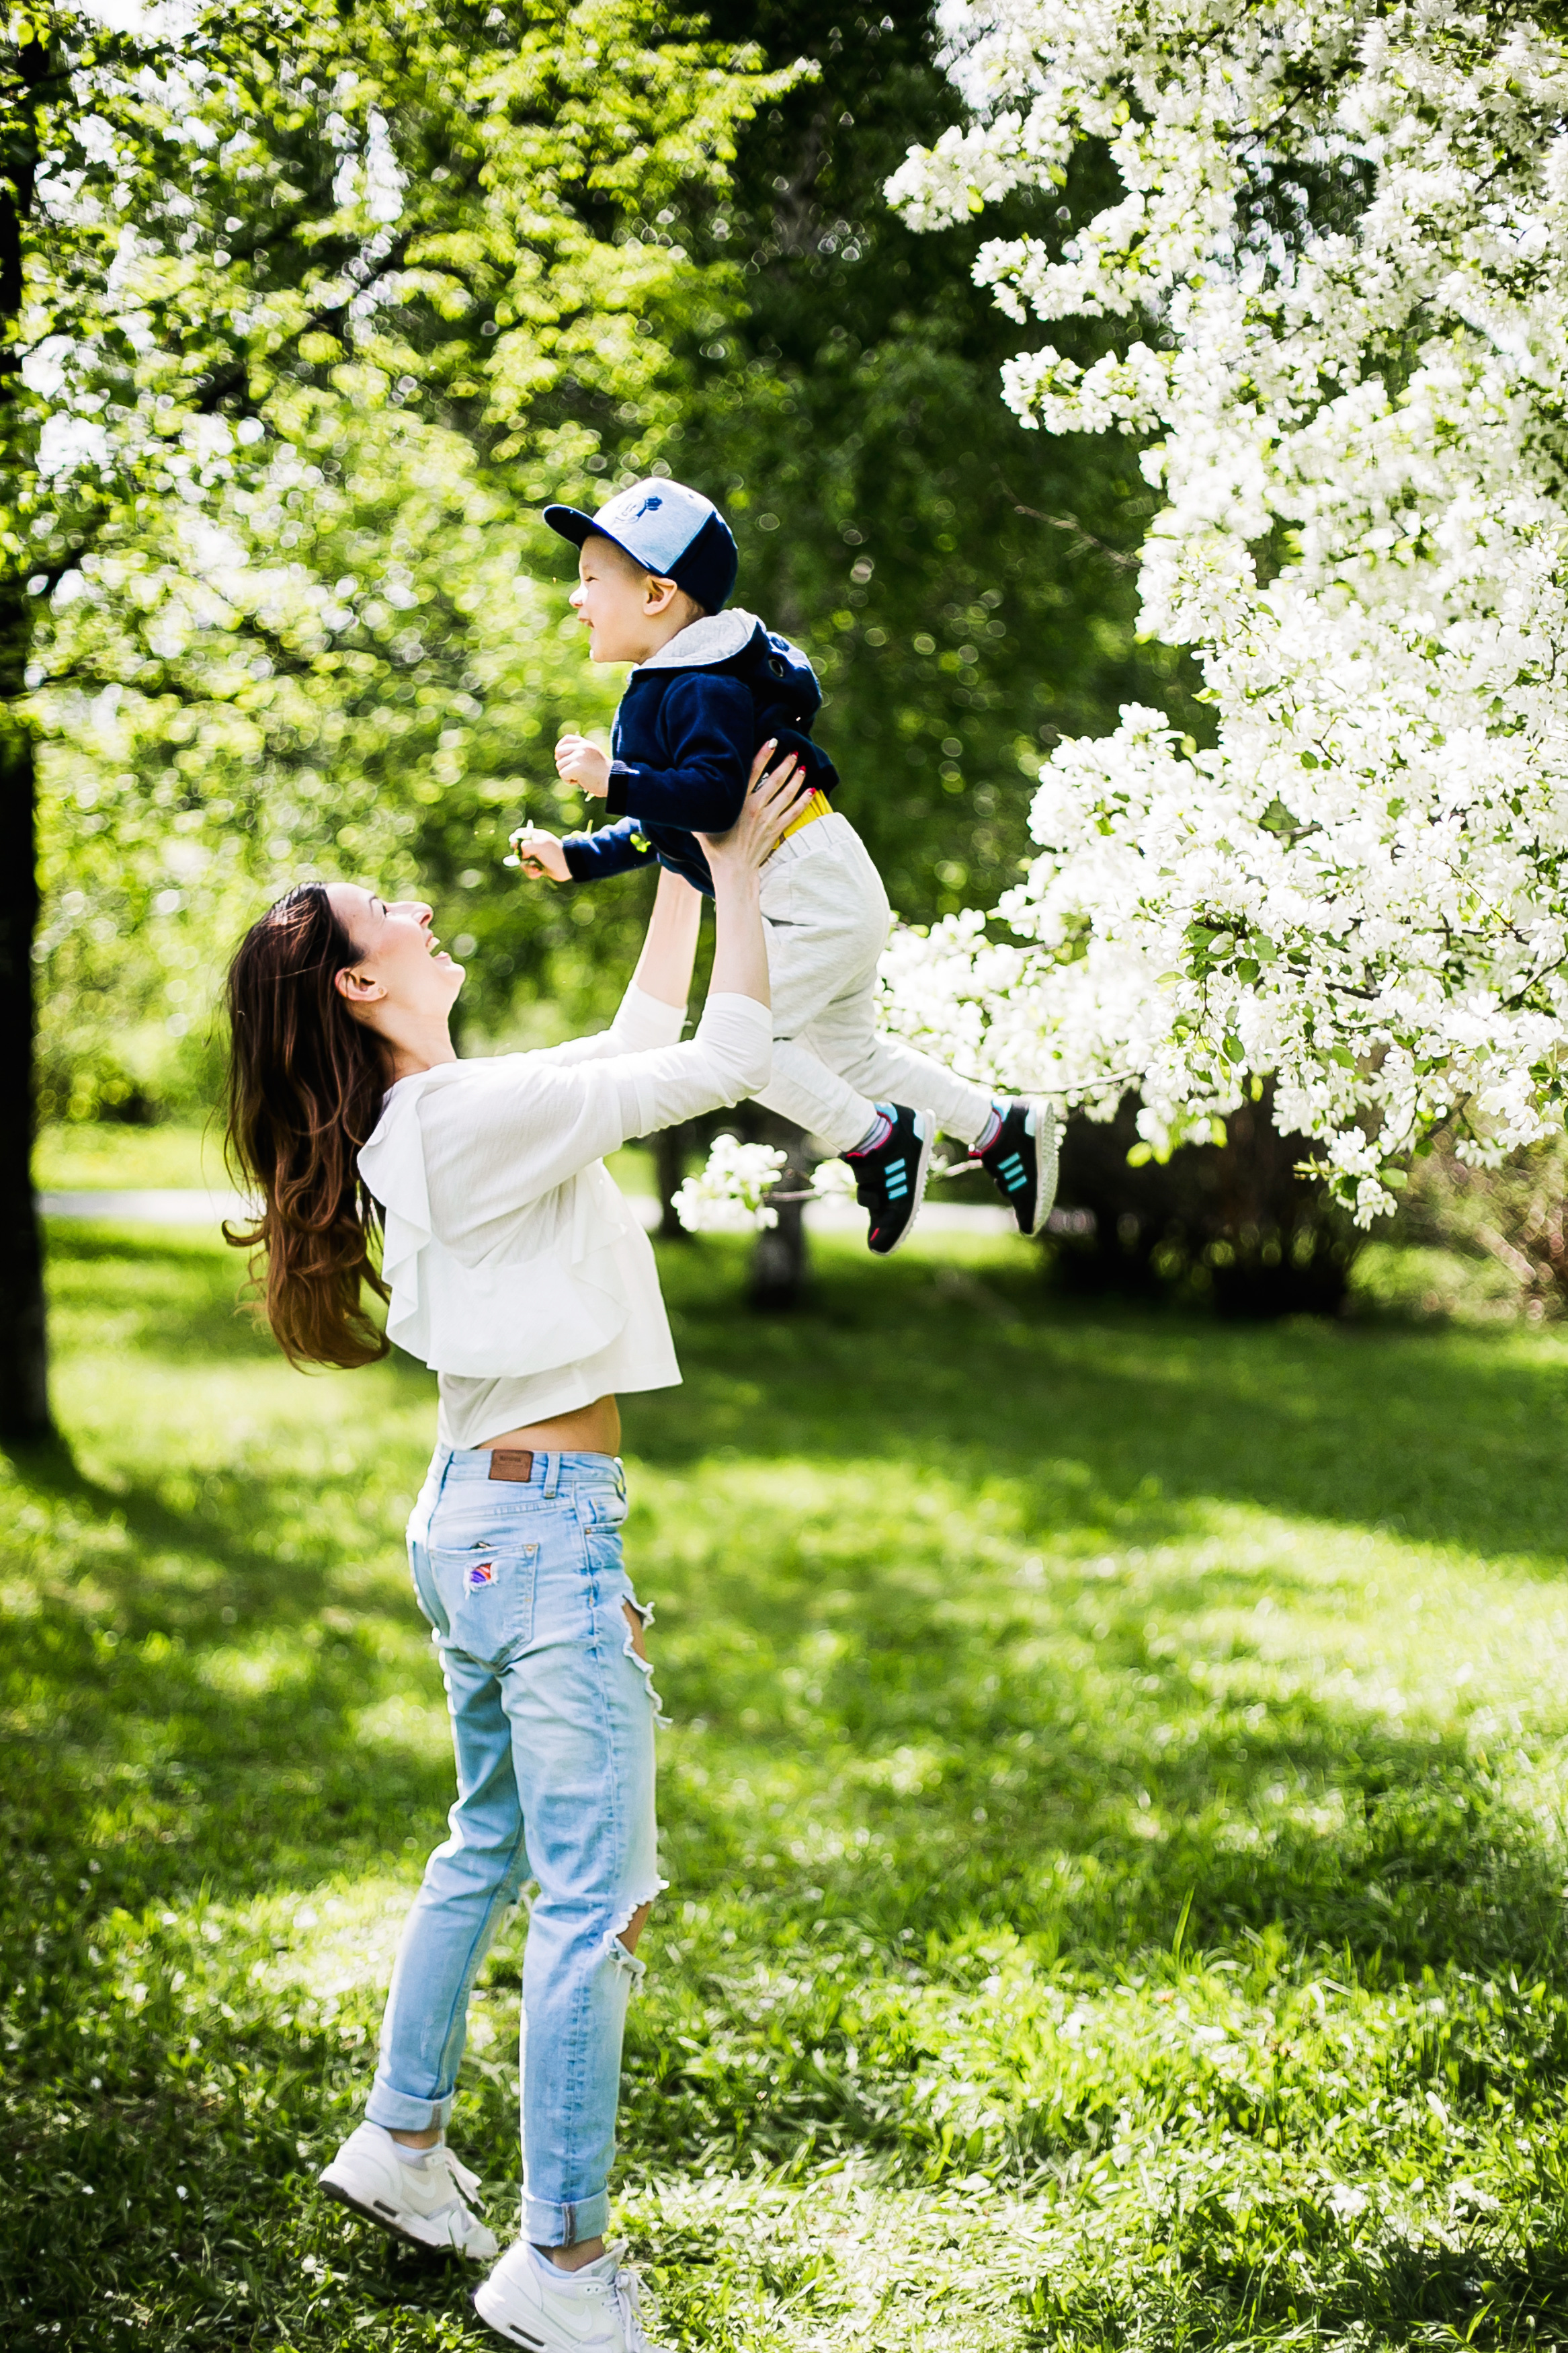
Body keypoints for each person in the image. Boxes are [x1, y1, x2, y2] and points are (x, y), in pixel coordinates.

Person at [222, 750, 806, 2353]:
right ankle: (561, 2265)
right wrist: (745, 860)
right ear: (358, 980)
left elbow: (628, 1048)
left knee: (487, 1846)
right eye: (386, 910)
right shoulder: (463, 1117)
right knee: (593, 1902)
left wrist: (677, 861)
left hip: (479, 1521)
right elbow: (722, 1057)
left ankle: (403, 2143)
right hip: (538, 1536)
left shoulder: (440, 1118)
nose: (419, 906)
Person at [509, 475, 1059, 1253]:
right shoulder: (677, 681)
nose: (576, 597)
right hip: (816, 883)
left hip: (811, 885)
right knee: (851, 1052)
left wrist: (614, 780)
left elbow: (707, 799)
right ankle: (999, 1126)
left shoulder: (699, 685)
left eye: (591, 579)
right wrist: (576, 856)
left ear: (658, 593)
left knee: (741, 1046)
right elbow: (671, 824)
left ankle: (874, 1140)